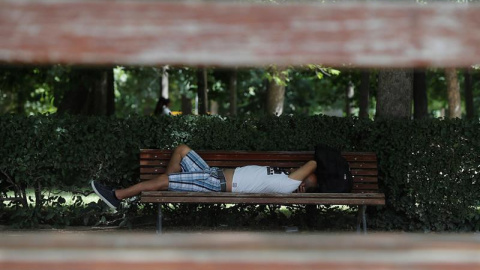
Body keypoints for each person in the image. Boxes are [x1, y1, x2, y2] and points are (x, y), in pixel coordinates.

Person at [91, 144, 318, 209]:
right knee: (182, 150)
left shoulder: (288, 185)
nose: (304, 173)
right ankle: (172, 185)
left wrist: (314, 175)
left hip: (214, 184)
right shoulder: (286, 178)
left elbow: (313, 163)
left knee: (164, 180)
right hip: (212, 174)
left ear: (302, 184)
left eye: (307, 179)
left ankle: (117, 196)